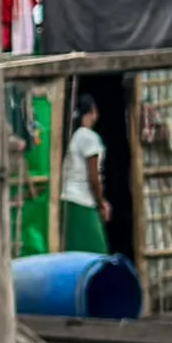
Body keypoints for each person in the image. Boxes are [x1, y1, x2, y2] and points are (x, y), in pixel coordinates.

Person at [64, 93, 111, 254]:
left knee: (77, 253)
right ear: (93, 112)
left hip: (70, 200)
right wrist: (101, 203)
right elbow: (93, 177)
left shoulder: (75, 137)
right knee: (99, 253)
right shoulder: (89, 137)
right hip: (82, 201)